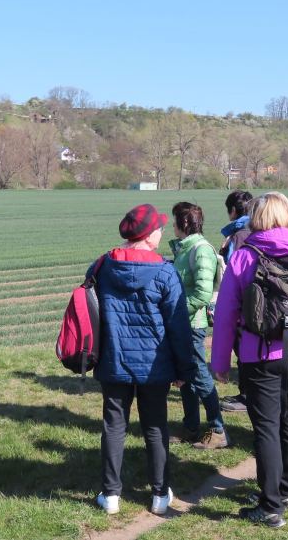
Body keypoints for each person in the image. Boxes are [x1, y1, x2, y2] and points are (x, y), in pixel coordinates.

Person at [210, 192, 288, 528]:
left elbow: (226, 314)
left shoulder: (244, 257)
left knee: (266, 428)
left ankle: (270, 506)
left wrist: (220, 362)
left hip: (259, 354)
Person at [93, 204, 197, 516]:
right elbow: (178, 325)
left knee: (114, 426)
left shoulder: (103, 266)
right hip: (155, 365)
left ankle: (111, 495)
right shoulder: (165, 272)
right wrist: (185, 368)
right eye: (159, 228)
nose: (162, 232)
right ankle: (160, 494)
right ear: (150, 235)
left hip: (113, 359)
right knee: (155, 426)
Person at [169, 202, 229, 448]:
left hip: (192, 324)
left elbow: (202, 294)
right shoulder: (185, 248)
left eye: (174, 220)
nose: (172, 225)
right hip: (183, 323)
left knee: (200, 376)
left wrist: (176, 312)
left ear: (184, 223)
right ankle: (191, 426)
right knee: (186, 376)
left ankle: (218, 430)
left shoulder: (200, 249)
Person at [218, 190, 254, 413]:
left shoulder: (239, 235)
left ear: (233, 210)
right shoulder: (256, 229)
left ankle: (247, 396)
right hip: (257, 301)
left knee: (243, 350)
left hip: (242, 303)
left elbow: (232, 270)